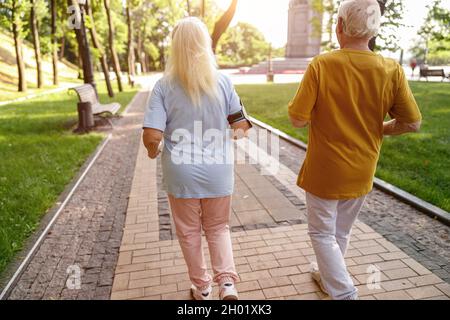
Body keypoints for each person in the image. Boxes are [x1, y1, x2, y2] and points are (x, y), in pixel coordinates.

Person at [288, 0, 422, 300]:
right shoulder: (391, 69)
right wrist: (380, 128)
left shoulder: (322, 64)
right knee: (340, 233)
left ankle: (344, 292)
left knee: (322, 234)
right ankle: (328, 278)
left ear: (339, 26)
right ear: (374, 29)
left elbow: (297, 119)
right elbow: (412, 123)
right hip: (363, 168)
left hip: (325, 170)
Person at [142, 17, 252, 300]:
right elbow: (241, 126)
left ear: (174, 47)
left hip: (181, 173)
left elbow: (152, 137)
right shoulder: (223, 81)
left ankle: (202, 287)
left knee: (189, 232)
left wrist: (154, 151)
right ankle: (227, 284)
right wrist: (222, 143)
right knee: (218, 227)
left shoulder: (163, 86)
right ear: (206, 44)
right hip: (218, 169)